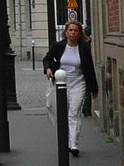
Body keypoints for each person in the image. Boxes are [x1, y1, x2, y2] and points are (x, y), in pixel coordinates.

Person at [42, 21, 98, 157]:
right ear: (66, 32)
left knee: (74, 112)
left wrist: (94, 88)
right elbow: (47, 59)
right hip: (61, 84)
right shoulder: (58, 46)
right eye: (70, 30)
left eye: (76, 31)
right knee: (63, 113)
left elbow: (89, 68)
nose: (73, 33)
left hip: (78, 83)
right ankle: (65, 140)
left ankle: (73, 144)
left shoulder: (84, 48)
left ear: (79, 34)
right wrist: (48, 69)